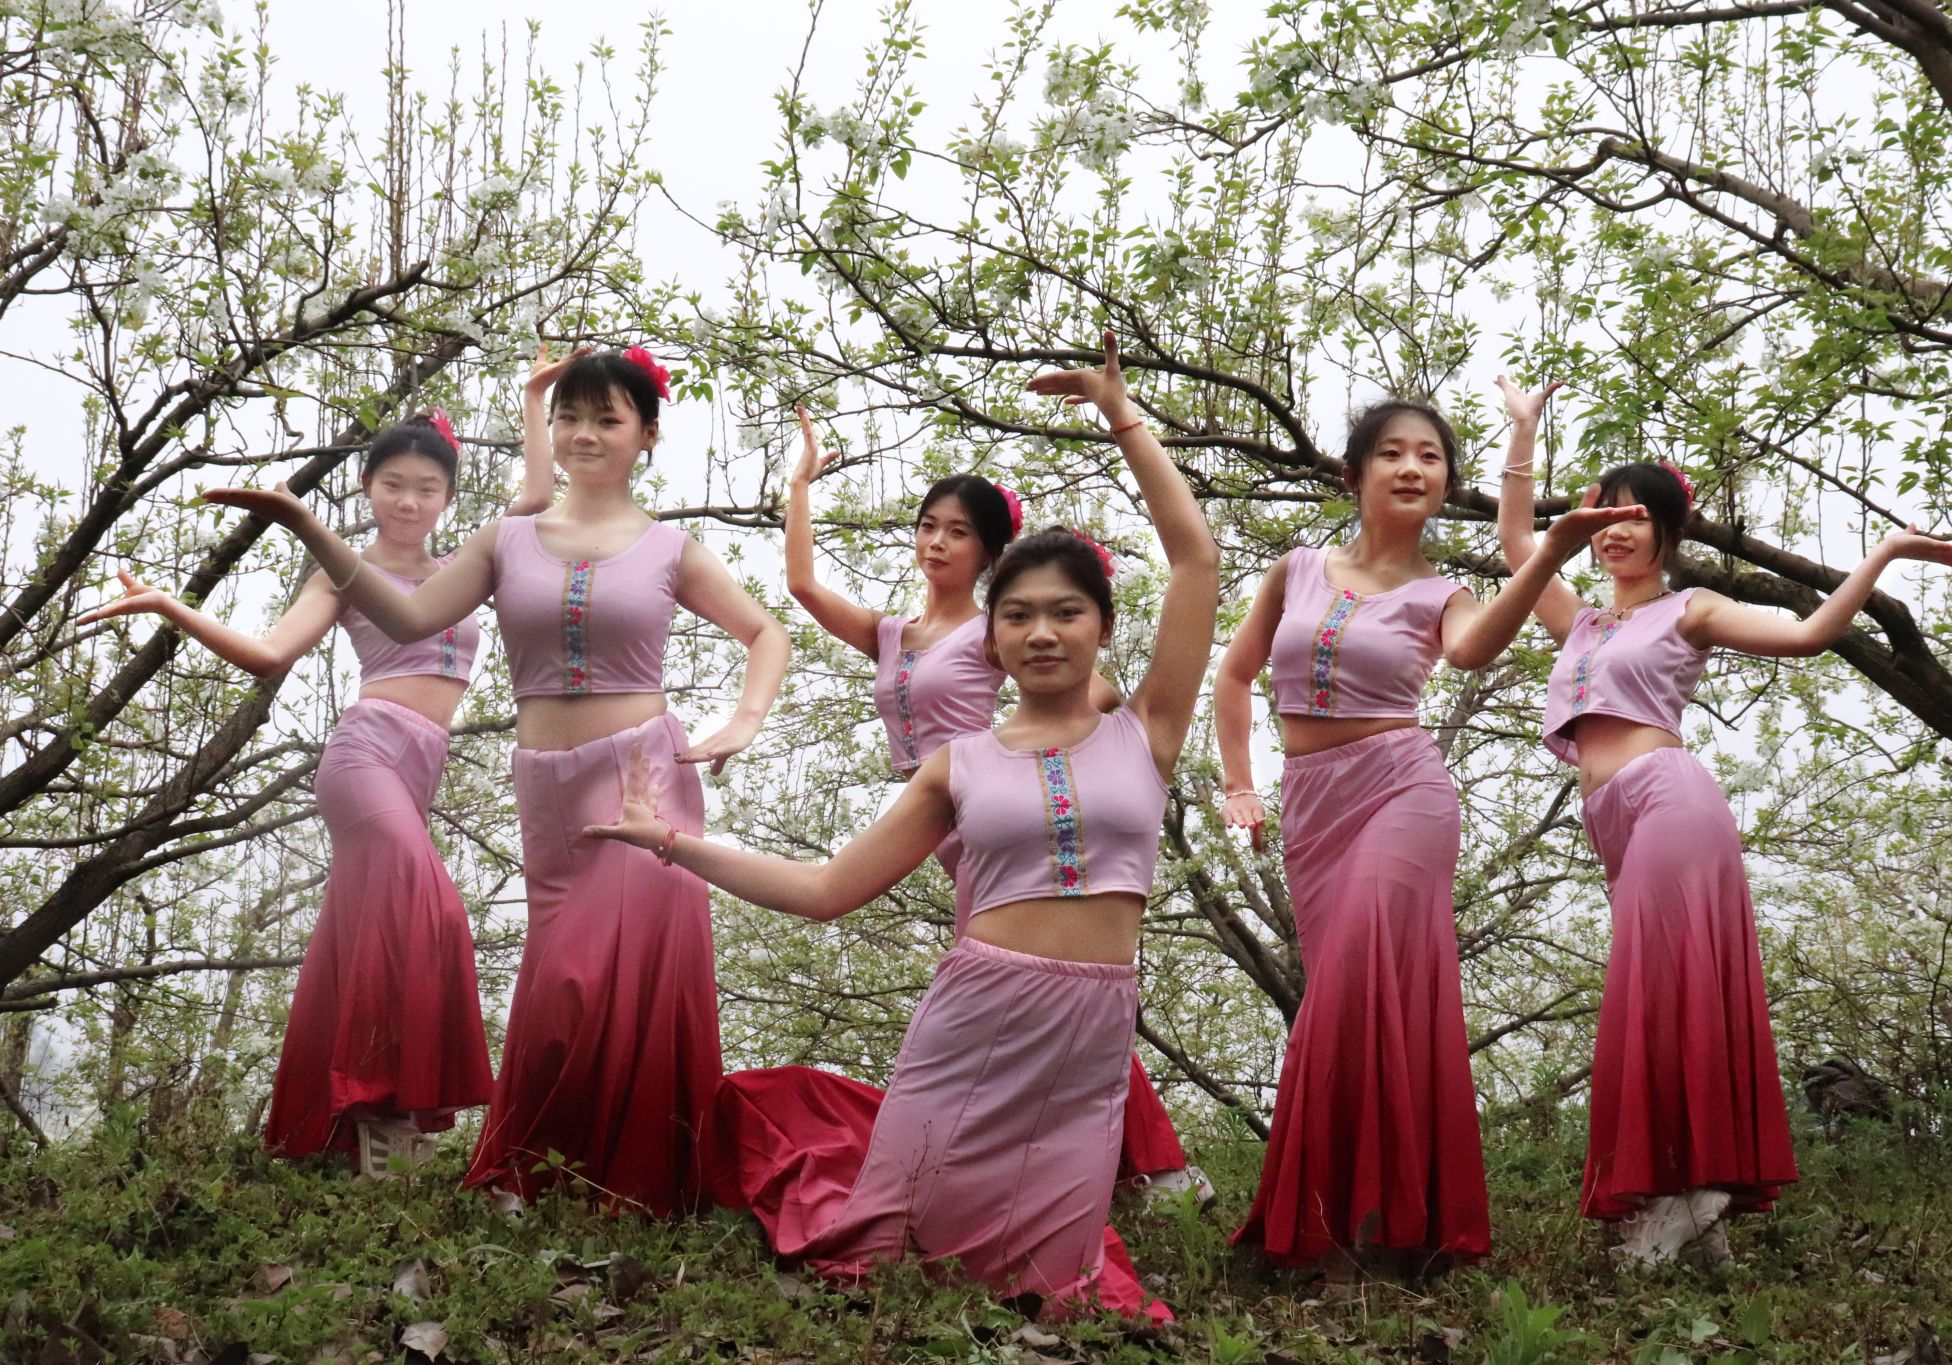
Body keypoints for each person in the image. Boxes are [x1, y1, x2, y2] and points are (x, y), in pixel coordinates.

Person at [588, 332, 1216, 1314]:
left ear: (1100, 625)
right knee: (892, 1259)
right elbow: (824, 891)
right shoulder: (955, 766)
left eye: (1065, 613)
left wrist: (1119, 415)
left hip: (1088, 1034)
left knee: (1053, 1288)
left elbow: (1195, 559)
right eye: (1018, 616)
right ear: (991, 640)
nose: (1042, 632)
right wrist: (670, 841)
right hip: (970, 1020)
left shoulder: (1147, 734)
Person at [203, 347, 790, 1215]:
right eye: (570, 416)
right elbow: (407, 614)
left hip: (641, 775)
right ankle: (547, 1175)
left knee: (609, 981)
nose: (585, 433)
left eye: (607, 419)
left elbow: (767, 632)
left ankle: (641, 1181)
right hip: (546, 786)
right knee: (555, 992)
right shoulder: (506, 541)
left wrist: (743, 720)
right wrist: (304, 523)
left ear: (646, 435)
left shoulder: (673, 549)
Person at [1494, 376, 1952, 1265]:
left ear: (1669, 531)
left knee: (1655, 992)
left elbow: (1808, 635)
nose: (1616, 529)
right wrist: (1524, 433)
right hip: (1613, 819)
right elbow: (1520, 543)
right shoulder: (1581, 621)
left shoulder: (1692, 608)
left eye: (1637, 515)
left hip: (1669, 801)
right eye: (1604, 514)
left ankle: (1680, 1191)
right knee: (1662, 996)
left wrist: (1882, 554)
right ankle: (1692, 1209)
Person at [1217, 392, 1648, 1275]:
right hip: (1311, 807)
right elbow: (1234, 675)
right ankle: (1343, 1221)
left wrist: (1550, 550)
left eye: (1431, 457)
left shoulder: (1442, 594)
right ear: (1355, 473)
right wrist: (1239, 784)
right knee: (1341, 1000)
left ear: (1447, 483)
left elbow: (1476, 648)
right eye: (1393, 452)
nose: (1412, 468)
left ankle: (1371, 1227)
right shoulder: (1296, 569)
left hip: (1402, 793)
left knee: (1362, 982)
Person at [80, 408, 549, 1173]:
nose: (409, 500)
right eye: (393, 484)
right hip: (366, 757)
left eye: (427, 487)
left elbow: (533, 501)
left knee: (366, 936)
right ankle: (386, 1112)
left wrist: (534, 398)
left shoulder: (465, 567)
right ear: (366, 486)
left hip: (418, 767)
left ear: (448, 497)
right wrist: (170, 606)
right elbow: (269, 654)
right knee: (432, 910)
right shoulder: (342, 571)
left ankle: (339, 1131)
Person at [784, 406, 1208, 1204]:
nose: (938, 541)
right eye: (928, 525)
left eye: (959, 531)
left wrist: (1073, 747)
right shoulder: (893, 633)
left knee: (1053, 979)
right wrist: (801, 484)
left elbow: (1090, 690)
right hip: (942, 814)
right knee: (1023, 992)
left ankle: (1153, 1165)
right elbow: (802, 586)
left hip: (1008, 814)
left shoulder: (994, 630)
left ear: (989, 553)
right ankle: (1046, 1163)